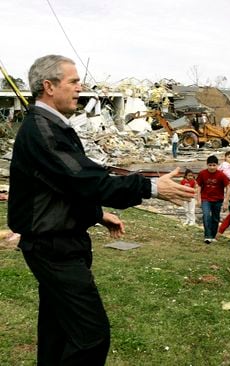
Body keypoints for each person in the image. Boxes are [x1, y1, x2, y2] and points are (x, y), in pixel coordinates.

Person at [7, 55, 195, 365]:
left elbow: (63, 188)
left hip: (59, 242)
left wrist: (98, 214)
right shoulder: (43, 129)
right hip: (54, 249)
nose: (80, 87)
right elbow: (84, 179)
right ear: (49, 86)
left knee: (58, 332)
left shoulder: (51, 126)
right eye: (73, 81)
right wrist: (151, 187)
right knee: (90, 336)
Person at [196, 155, 230, 244]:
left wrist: (226, 201)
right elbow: (198, 186)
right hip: (206, 199)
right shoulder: (202, 173)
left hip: (218, 199)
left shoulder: (221, 175)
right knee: (206, 215)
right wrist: (198, 199)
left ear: (217, 165)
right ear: (207, 165)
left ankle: (213, 235)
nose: (212, 167)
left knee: (215, 218)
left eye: (214, 165)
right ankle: (207, 235)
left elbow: (228, 187)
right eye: (210, 165)